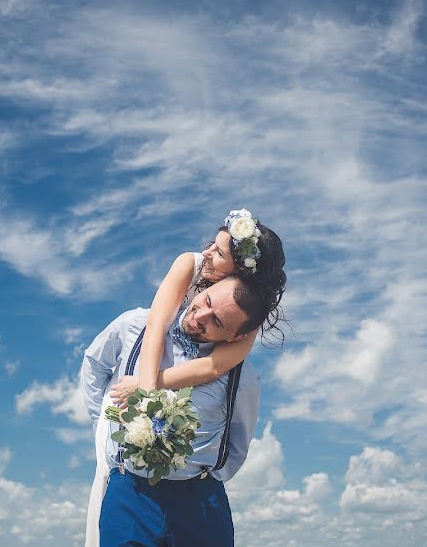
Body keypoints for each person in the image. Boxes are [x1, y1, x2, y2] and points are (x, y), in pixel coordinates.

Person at [82, 209, 286, 546]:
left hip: (199, 498)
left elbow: (212, 371)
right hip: (130, 484)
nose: (208, 253)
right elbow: (153, 329)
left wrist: (205, 477)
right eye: (204, 302)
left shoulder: (244, 338)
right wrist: (115, 421)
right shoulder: (184, 272)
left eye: (219, 254)